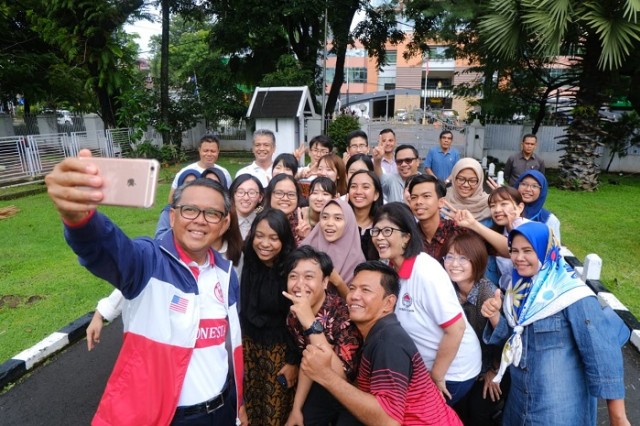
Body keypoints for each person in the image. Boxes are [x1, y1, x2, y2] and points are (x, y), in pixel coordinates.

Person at [46, 154, 245, 425]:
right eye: (189, 210)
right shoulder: (148, 261)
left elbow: (228, 346)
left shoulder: (226, 273)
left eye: (212, 213)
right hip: (167, 418)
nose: (200, 220)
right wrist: (80, 219)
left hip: (222, 408)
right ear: (172, 217)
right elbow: (107, 248)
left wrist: (237, 405)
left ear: (224, 224)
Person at [481, 222, 630, 426]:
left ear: (546, 250)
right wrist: (494, 316)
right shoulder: (517, 293)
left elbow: (602, 354)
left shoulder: (573, 295)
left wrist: (618, 417)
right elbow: (516, 340)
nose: (518, 258)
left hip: (558, 411)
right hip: (519, 407)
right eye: (514, 251)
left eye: (528, 250)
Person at [299, 260, 463, 425]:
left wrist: (326, 376)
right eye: (352, 288)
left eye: (365, 290)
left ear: (388, 303)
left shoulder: (389, 343)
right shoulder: (377, 332)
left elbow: (389, 421)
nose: (354, 295)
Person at [371, 202, 482, 406]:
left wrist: (437, 376)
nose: (379, 237)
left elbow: (456, 328)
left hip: (452, 372)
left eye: (387, 230)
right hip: (423, 369)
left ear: (406, 237)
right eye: (376, 230)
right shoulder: (392, 268)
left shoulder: (425, 272)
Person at [281, 246, 362, 426]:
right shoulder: (294, 316)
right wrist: (296, 409)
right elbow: (309, 361)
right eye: (293, 276)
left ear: (325, 282)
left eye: (309, 277)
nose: (300, 284)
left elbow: (342, 375)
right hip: (321, 384)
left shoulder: (343, 315)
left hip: (354, 393)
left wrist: (311, 324)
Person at [240, 209, 298, 425]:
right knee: (249, 410)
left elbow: (296, 321)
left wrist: (294, 362)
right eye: (260, 236)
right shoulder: (249, 260)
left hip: (279, 352)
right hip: (249, 348)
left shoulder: (291, 269)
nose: (265, 243)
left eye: (274, 238)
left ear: (283, 240)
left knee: (274, 412)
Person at [441, 233, 504, 425]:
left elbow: (504, 341)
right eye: (449, 256)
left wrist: (494, 370)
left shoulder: (486, 293)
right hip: (458, 365)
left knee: (476, 411)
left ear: (477, 261)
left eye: (463, 258)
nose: (454, 263)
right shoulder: (446, 288)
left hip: (488, 366)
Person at [301, 199, 366, 299]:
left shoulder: (357, 260)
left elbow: (357, 301)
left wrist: (338, 281)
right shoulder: (306, 247)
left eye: (338, 218)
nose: (329, 223)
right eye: (325, 217)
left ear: (348, 223)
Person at [407, 174, 466, 261]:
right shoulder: (409, 236)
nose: (418, 201)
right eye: (414, 197)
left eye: (426, 196)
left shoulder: (457, 231)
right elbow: (401, 271)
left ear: (441, 202)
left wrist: (474, 225)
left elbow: (491, 248)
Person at [168, 134, 232, 202]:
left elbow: (229, 198)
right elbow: (171, 200)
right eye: (205, 151)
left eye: (213, 151)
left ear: (218, 152)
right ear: (199, 150)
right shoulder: (185, 172)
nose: (209, 154)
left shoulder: (224, 173)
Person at [514, 170, 561, 243]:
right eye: (524, 184)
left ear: (542, 191)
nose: (528, 189)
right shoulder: (506, 211)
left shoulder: (549, 220)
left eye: (534, 186)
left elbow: (554, 250)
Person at [445, 158, 492, 226]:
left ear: (479, 181)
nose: (466, 185)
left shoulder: (489, 204)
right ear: (454, 178)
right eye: (461, 179)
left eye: (472, 181)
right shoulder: (443, 199)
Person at [346, 170, 382, 261]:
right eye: (354, 186)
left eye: (365, 187)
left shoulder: (382, 227)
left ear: (376, 195)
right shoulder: (340, 223)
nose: (358, 191)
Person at [155, 168, 200, 239]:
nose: (190, 187)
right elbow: (159, 237)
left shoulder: (204, 210)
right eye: (187, 183)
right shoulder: (168, 211)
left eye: (195, 183)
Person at [265, 174, 306, 242]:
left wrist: (307, 237)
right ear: (270, 196)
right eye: (279, 193)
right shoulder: (260, 222)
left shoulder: (304, 222)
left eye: (291, 194)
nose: (285, 198)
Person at [230, 174, 265, 240]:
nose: (246, 198)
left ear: (260, 197)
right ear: (233, 194)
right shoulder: (224, 222)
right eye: (240, 192)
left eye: (252, 193)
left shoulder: (264, 222)